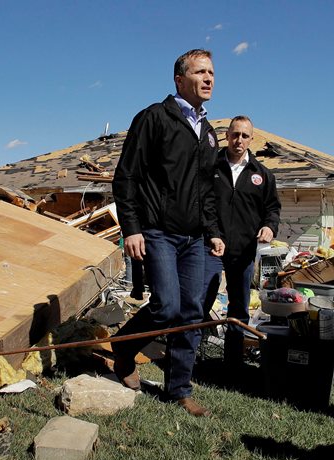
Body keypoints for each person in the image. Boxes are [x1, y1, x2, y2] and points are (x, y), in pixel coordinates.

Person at [111, 48, 224, 417]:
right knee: (166, 306)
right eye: (200, 72)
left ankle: (179, 390)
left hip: (194, 238)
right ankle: (124, 348)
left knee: (192, 312)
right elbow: (126, 175)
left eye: (211, 72)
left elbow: (207, 191)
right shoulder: (154, 118)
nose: (208, 78)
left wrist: (213, 231)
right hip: (157, 231)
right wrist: (132, 228)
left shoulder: (208, 134)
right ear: (179, 79)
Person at [202, 116, 281, 368]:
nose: (239, 140)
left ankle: (232, 364)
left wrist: (269, 226)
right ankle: (193, 357)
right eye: (235, 134)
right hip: (211, 247)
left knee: (238, 309)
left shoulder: (262, 175)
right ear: (227, 136)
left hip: (243, 251)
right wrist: (213, 233)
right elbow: (203, 205)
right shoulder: (210, 168)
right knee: (201, 301)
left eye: (245, 136)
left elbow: (272, 209)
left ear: (251, 139)